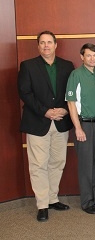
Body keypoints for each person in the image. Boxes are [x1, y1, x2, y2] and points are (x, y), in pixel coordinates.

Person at [17, 30, 74, 222]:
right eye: (42, 43)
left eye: (50, 42)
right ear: (38, 46)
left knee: (57, 162)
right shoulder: (27, 66)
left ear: (56, 45)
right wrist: (45, 111)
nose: (46, 46)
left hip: (61, 122)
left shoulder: (67, 66)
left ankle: (52, 198)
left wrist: (66, 110)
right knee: (38, 164)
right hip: (38, 121)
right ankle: (42, 204)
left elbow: (73, 92)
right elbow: (25, 93)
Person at [66, 43, 95, 214]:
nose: (92, 58)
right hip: (84, 125)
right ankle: (87, 202)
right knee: (86, 166)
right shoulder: (76, 75)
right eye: (88, 55)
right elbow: (71, 103)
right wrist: (77, 128)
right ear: (82, 57)